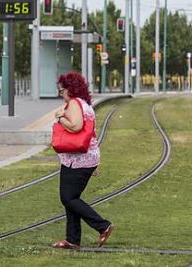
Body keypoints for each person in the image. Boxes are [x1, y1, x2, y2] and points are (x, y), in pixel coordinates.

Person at [51, 72, 113, 249]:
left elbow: (76, 126)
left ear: (70, 89)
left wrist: (60, 117)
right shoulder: (85, 104)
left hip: (78, 158)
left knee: (68, 198)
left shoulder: (74, 103)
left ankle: (102, 225)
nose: (60, 94)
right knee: (71, 198)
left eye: (61, 91)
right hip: (81, 158)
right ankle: (72, 240)